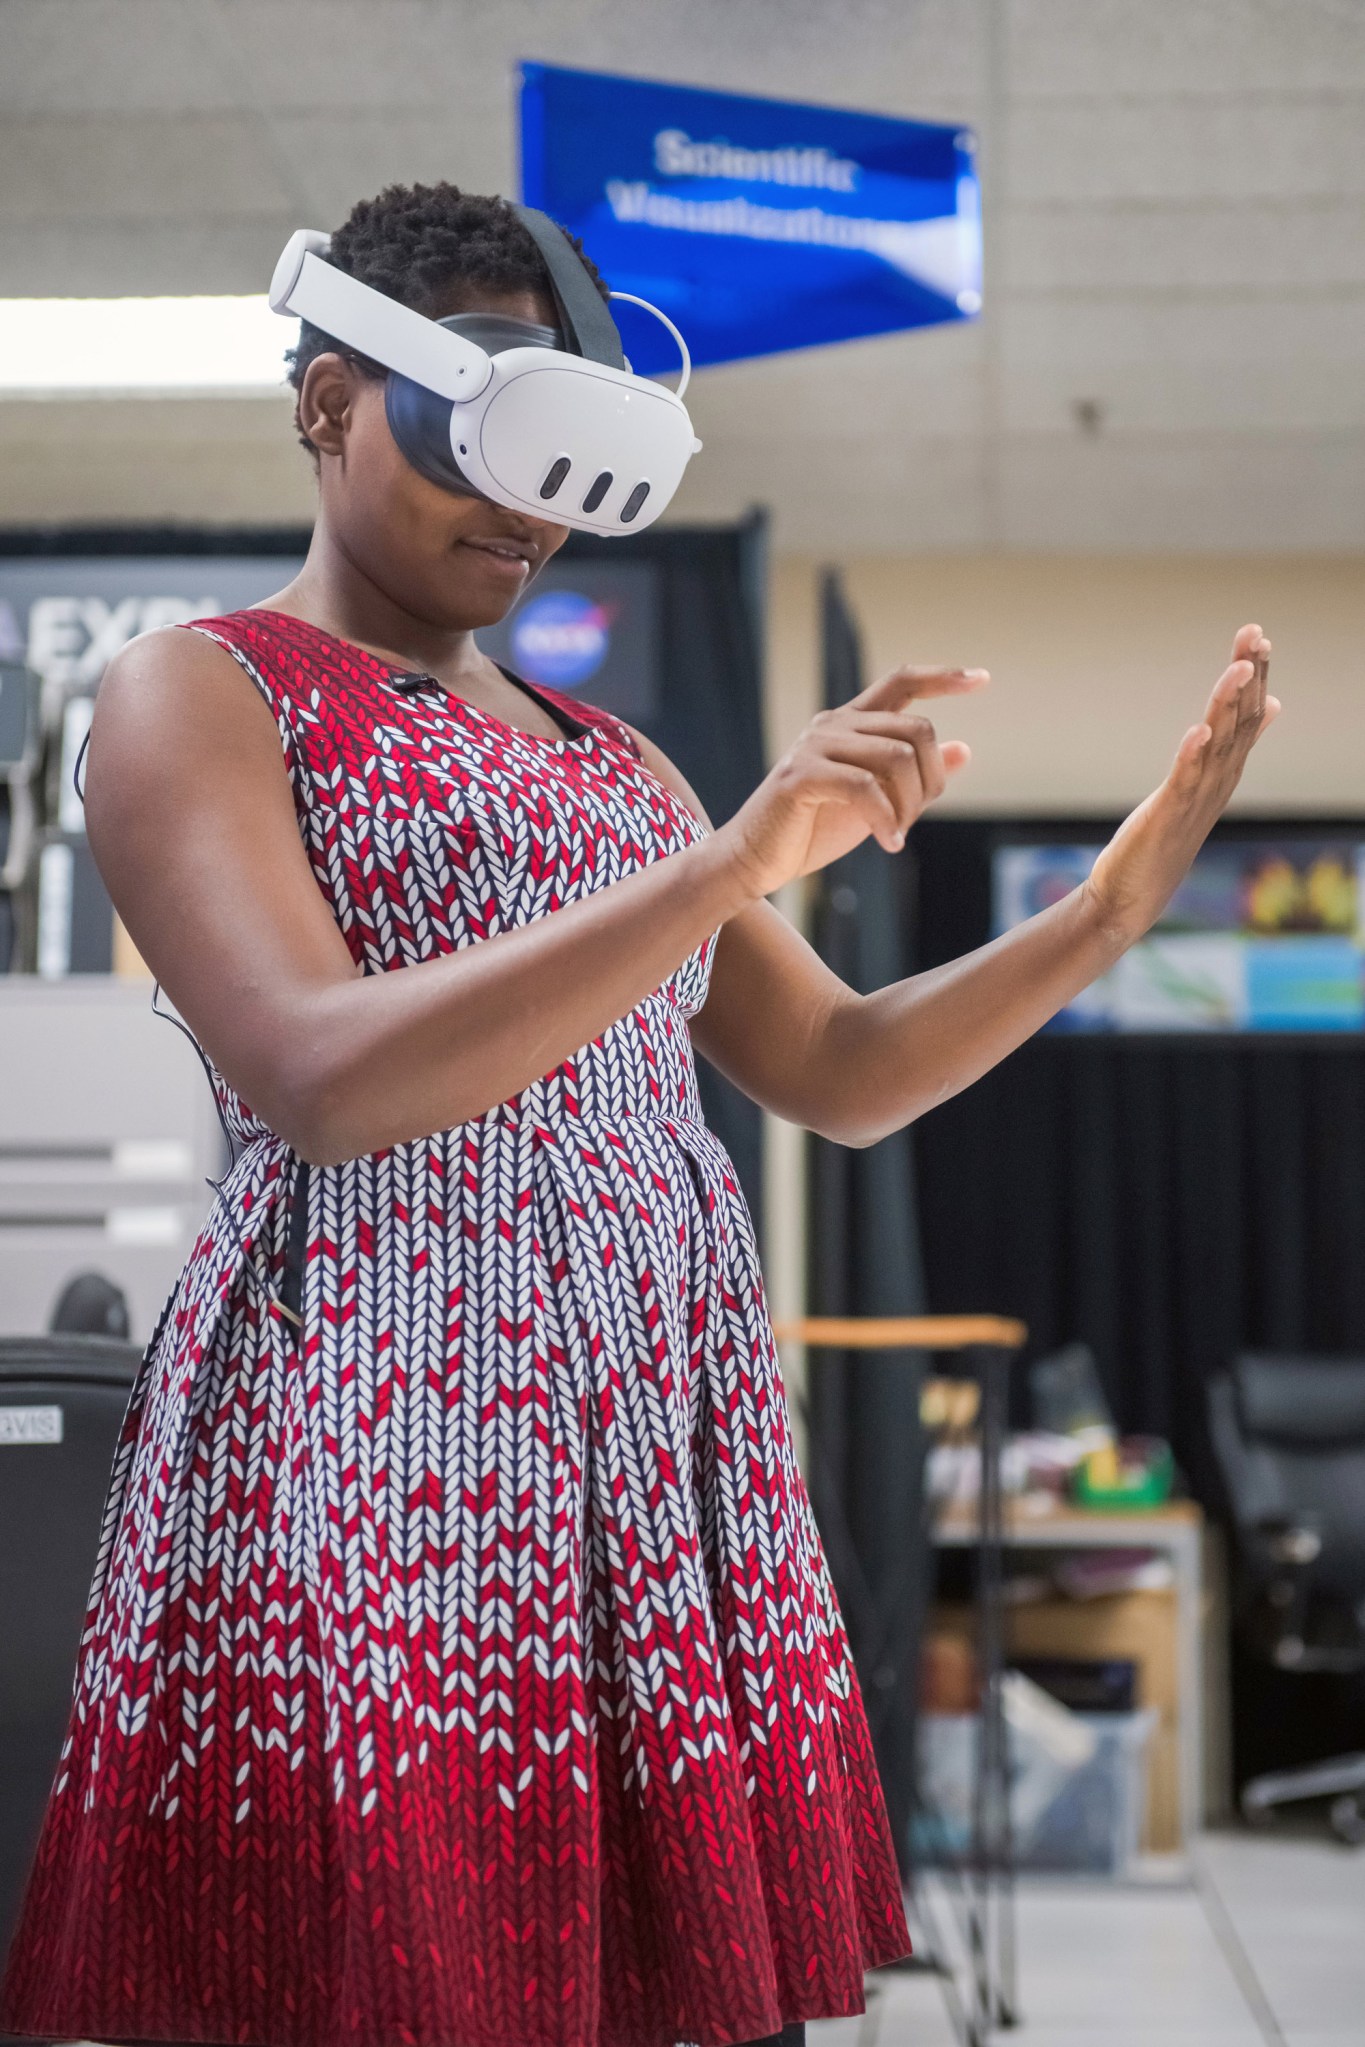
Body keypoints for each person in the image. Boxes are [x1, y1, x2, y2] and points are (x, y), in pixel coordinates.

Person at [0, 183, 1276, 2047]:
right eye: (486, 443)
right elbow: (319, 1074)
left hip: (645, 1437)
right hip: (383, 1437)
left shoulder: (614, 761)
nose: (521, 513)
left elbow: (840, 1073)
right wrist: (733, 861)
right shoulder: (203, 691)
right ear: (330, 397)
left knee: (643, 1998)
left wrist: (1101, 917)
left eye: (564, 463)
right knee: (400, 1984)